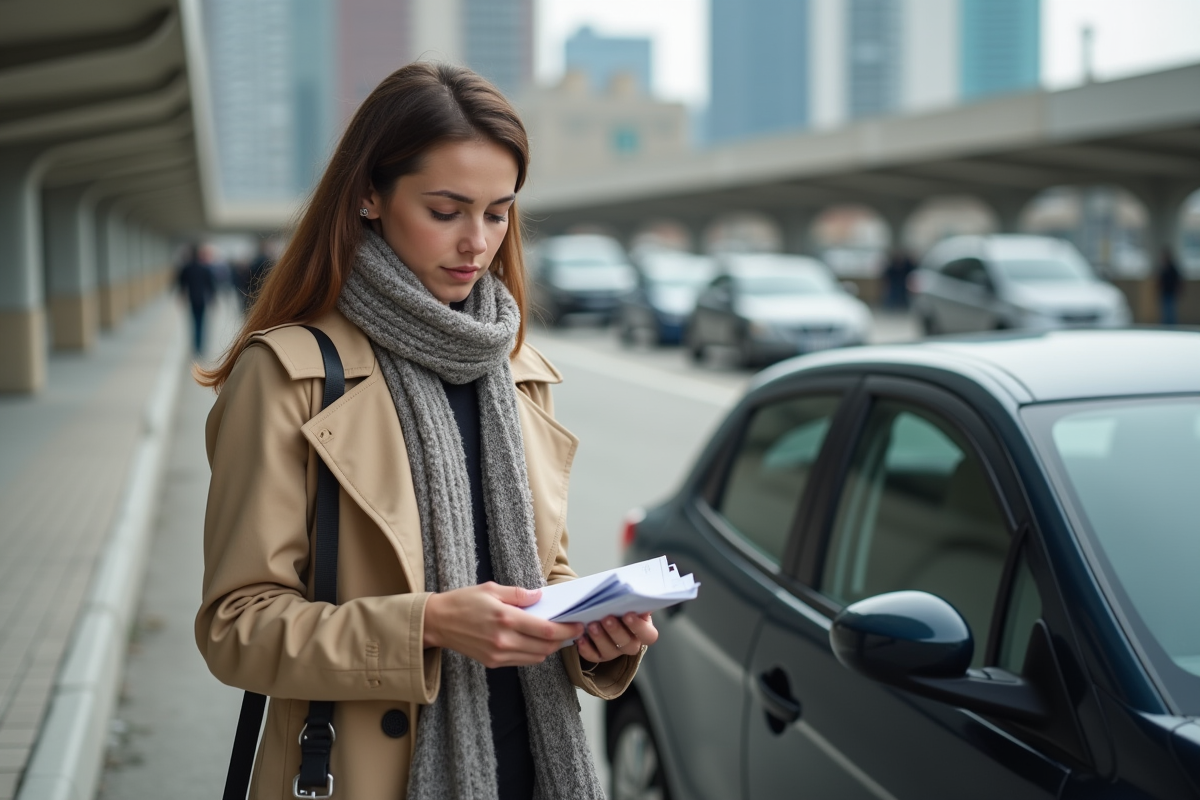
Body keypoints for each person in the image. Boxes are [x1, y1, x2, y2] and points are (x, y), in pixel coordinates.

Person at [194, 62, 656, 800]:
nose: (477, 242)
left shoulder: (518, 369)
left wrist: (591, 633)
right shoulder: (290, 374)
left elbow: (543, 574)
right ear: (370, 196)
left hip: (531, 771)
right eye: (447, 211)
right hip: (366, 778)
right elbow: (236, 626)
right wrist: (427, 626)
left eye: (499, 212)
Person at [176, 243, 216, 354]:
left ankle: (195, 346)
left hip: (192, 299)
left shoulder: (187, 268)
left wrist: (181, 297)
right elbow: (211, 285)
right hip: (202, 299)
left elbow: (182, 285)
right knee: (201, 322)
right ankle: (200, 346)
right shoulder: (204, 268)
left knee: (194, 322)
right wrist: (213, 300)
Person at [1158, 246, 1183, 325]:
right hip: (1164, 292)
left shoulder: (1173, 268)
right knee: (1165, 311)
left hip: (1171, 292)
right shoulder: (1163, 268)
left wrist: (1178, 290)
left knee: (1170, 311)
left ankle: (1172, 326)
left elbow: (1177, 281)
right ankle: (1165, 326)